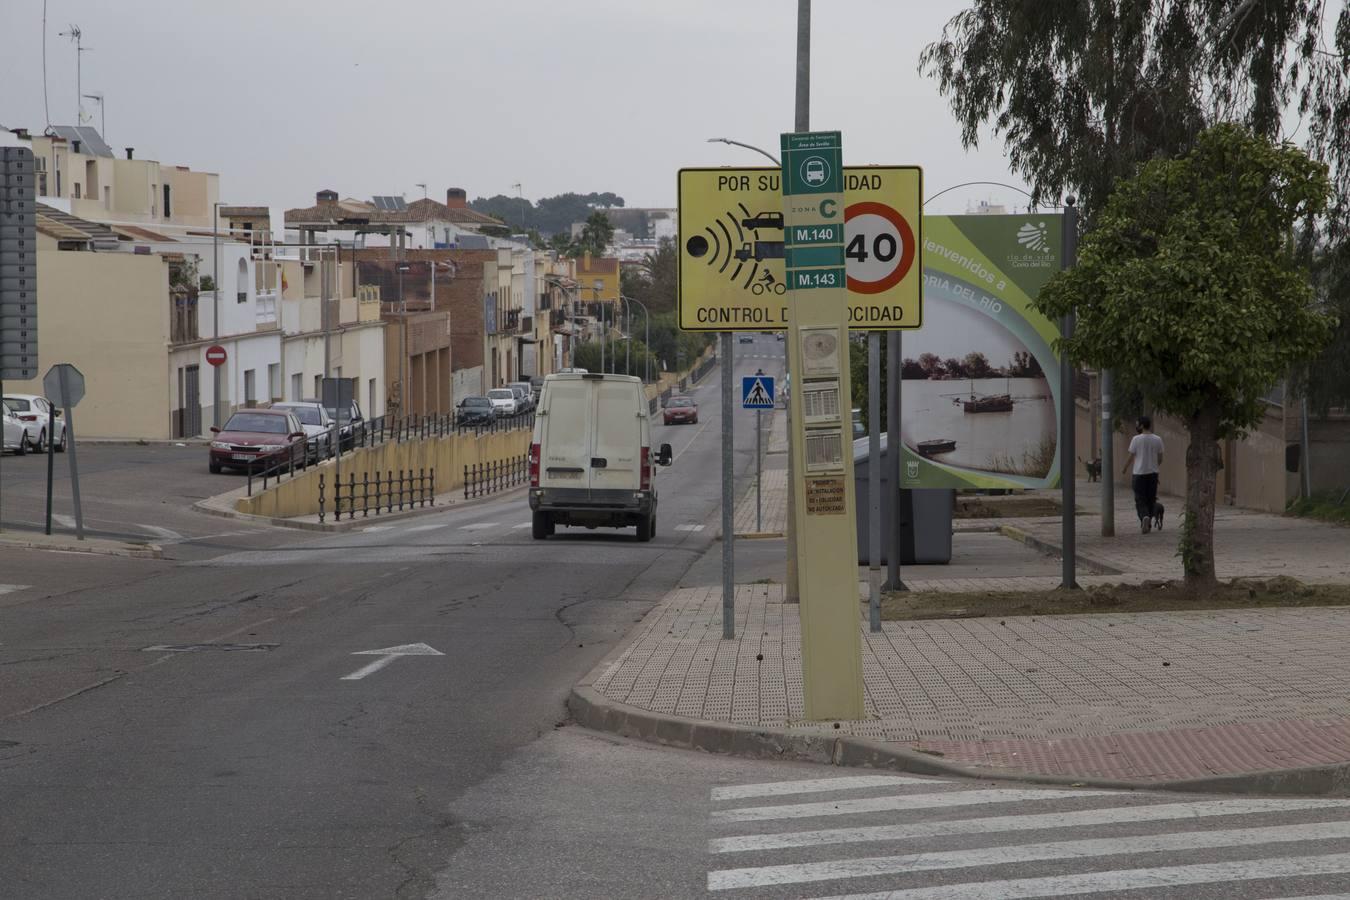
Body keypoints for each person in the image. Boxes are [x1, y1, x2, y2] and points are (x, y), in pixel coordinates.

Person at [1122, 416, 1164, 533]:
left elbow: (1131, 456)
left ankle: (1144, 517)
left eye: (1137, 424)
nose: (1136, 426)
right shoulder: (1158, 439)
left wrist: (1124, 468)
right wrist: (1155, 467)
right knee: (1151, 499)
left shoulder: (1136, 439)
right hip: (1153, 474)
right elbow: (1160, 458)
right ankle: (1149, 520)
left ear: (1141, 425)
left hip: (1139, 474)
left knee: (1140, 499)